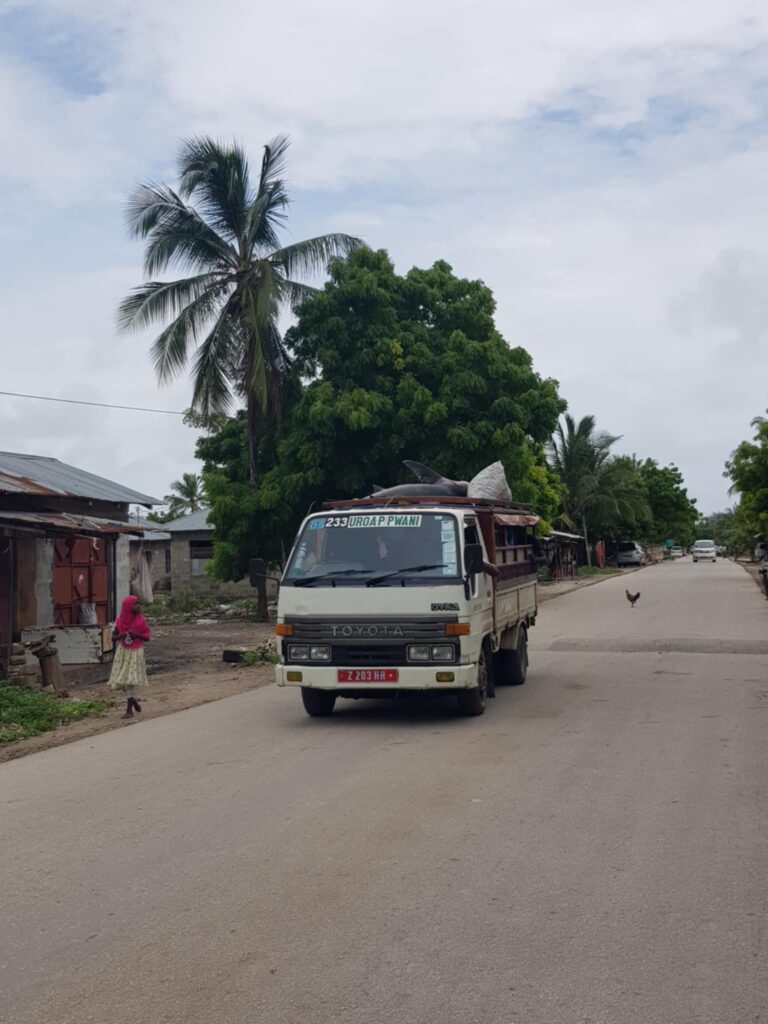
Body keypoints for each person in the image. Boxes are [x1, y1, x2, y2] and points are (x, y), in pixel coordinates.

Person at [108, 595, 151, 719]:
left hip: (135, 652)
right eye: (135, 604)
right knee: (121, 679)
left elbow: (147, 637)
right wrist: (120, 636)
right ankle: (134, 702)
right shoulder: (119, 620)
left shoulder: (141, 620)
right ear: (127, 606)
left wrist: (137, 634)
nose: (138, 606)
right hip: (123, 652)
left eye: (138, 604)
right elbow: (113, 638)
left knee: (129, 679)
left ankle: (129, 710)